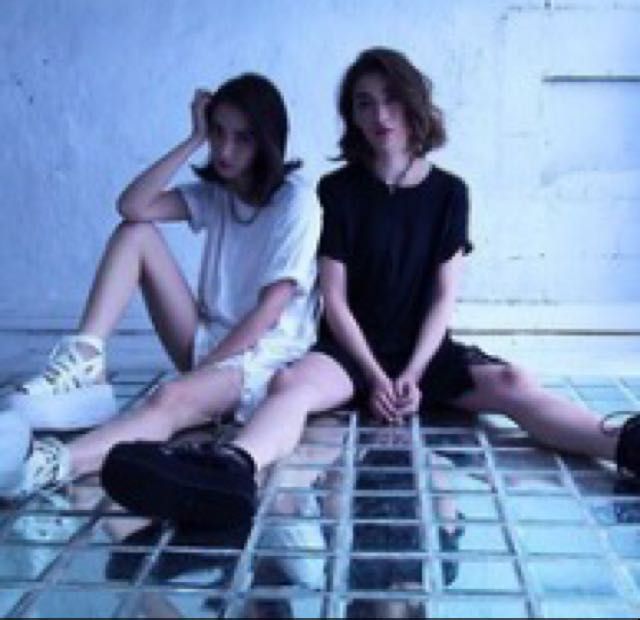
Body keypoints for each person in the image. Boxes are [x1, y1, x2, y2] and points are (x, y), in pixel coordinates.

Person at [101, 47, 640, 528]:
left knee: (513, 381)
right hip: (347, 350)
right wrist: (377, 376)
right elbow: (333, 299)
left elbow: (443, 298)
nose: (380, 115)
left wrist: (410, 374)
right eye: (364, 103)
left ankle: (621, 443)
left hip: (422, 352)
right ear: (352, 116)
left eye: (390, 100)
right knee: (290, 386)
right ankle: (231, 469)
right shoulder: (337, 191)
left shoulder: (450, 193)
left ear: (414, 105)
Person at [0, 73, 321, 504]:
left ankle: (48, 464)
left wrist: (203, 372)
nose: (225, 150)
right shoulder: (217, 192)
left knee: (168, 398)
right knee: (135, 233)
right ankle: (86, 360)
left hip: (262, 357)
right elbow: (132, 206)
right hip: (209, 342)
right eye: (218, 133)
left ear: (267, 140)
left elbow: (269, 313)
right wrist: (193, 139)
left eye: (242, 138)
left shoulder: (296, 202)